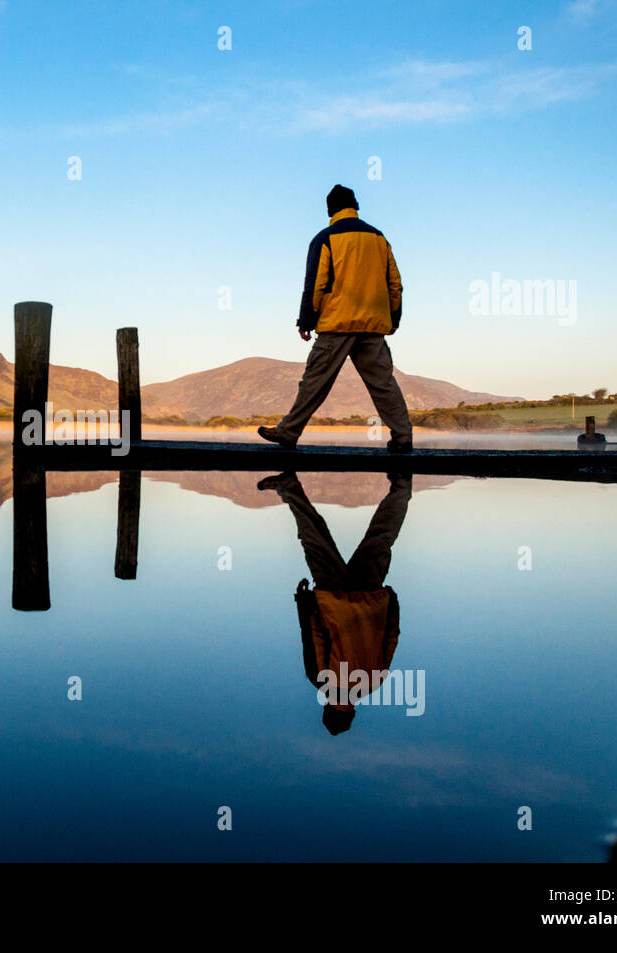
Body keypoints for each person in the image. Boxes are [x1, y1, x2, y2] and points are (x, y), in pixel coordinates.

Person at [258, 184, 413, 453]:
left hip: (337, 324)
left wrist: (305, 320)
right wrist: (393, 317)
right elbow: (395, 284)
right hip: (373, 325)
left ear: (329, 210)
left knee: (315, 382)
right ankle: (403, 437)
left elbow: (315, 284)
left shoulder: (326, 238)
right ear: (356, 206)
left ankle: (288, 432)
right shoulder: (379, 238)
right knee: (384, 385)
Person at [258, 470, 411, 734]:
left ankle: (402, 486)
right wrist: (304, 600)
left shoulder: (375, 682)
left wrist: (392, 602)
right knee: (314, 539)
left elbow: (392, 637)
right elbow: (313, 635)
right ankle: (288, 486)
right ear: (328, 708)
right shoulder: (322, 682)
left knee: (382, 536)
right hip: (333, 597)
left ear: (352, 712)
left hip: (370, 597)